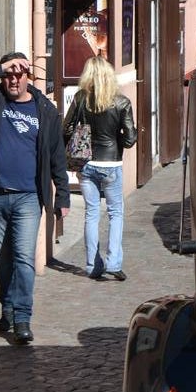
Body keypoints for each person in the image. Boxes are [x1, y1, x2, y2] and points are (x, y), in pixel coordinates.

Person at [0, 51, 70, 343]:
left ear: (28, 77)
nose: (14, 79)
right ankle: (7, 306)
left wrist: (63, 196)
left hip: (29, 197)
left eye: (19, 74)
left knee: (23, 258)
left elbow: (57, 155)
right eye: (9, 74)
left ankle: (22, 318)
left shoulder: (44, 109)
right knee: (1, 259)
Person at [63, 56, 137, 281]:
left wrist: (77, 146)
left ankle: (92, 265)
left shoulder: (80, 98)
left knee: (92, 214)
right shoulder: (121, 102)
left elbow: (66, 129)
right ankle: (113, 263)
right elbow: (130, 138)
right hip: (111, 163)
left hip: (87, 163)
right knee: (115, 213)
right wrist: (119, 140)